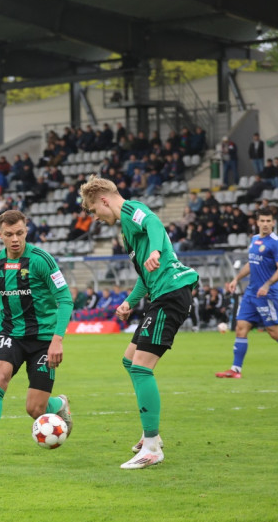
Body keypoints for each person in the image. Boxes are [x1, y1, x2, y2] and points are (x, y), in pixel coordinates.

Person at [80, 175, 199, 469]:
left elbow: (156, 224)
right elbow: (145, 277)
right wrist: (129, 302)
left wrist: (157, 250)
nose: (96, 217)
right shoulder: (127, 229)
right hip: (160, 293)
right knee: (129, 360)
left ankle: (152, 446)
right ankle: (150, 433)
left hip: (171, 293)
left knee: (142, 367)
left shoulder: (132, 209)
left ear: (104, 200)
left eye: (94, 210)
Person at [0, 210, 73, 462]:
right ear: (0, 235)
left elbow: (65, 299)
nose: (15, 239)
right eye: (9, 234)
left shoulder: (42, 260)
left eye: (20, 233)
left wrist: (57, 340)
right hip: (11, 334)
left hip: (44, 338)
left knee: (34, 409)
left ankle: (57, 405)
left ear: (26, 231)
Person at [215, 206, 278, 378]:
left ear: (273, 222)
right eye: (262, 221)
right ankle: (236, 370)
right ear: (257, 222)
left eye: (268, 221)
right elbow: (251, 263)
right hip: (251, 293)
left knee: (274, 332)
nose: (265, 224)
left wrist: (267, 285)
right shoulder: (255, 239)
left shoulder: (275, 243)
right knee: (241, 328)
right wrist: (236, 279)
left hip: (268, 294)